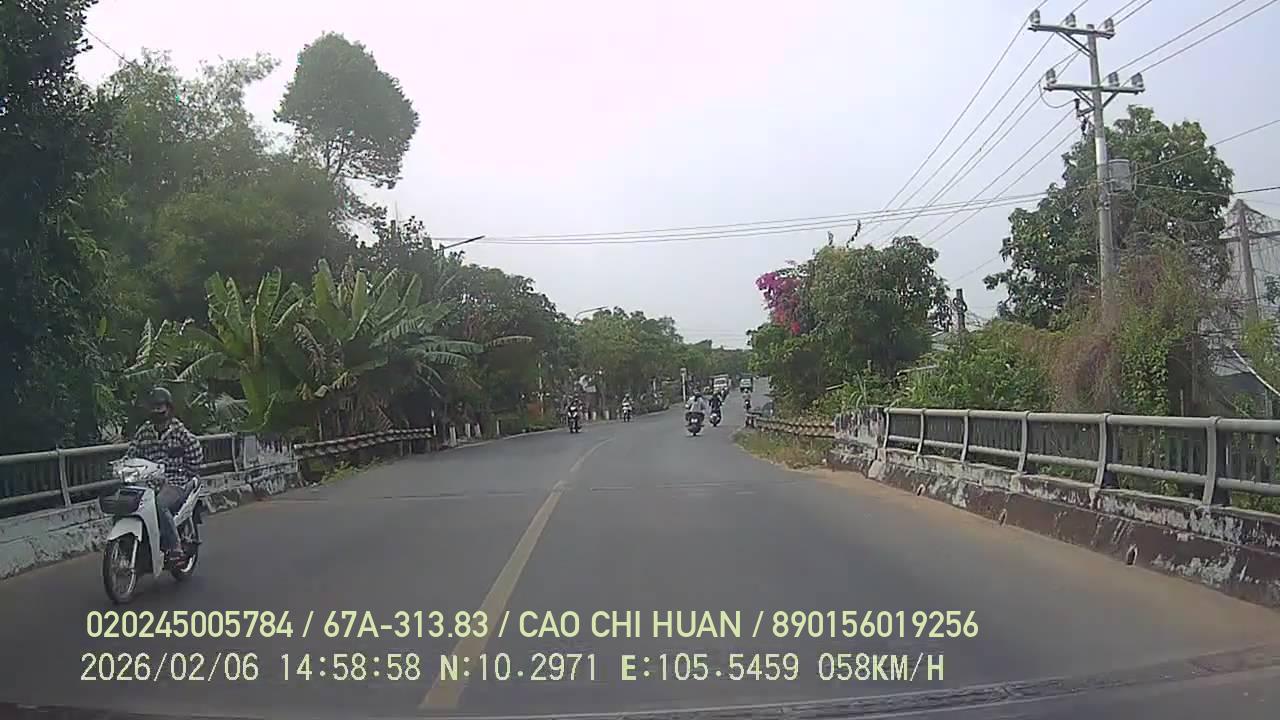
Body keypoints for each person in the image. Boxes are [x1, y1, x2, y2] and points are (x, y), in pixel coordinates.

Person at [124, 387, 203, 564]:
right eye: (154, 407)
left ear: (169, 408)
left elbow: (196, 454)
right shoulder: (144, 432)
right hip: (148, 482)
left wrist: (186, 473)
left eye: (160, 406)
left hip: (175, 481)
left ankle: (175, 547)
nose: (157, 410)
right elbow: (131, 454)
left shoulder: (179, 432)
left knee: (159, 505)